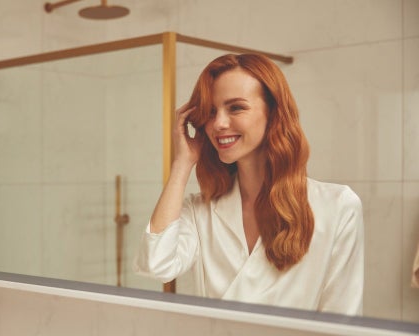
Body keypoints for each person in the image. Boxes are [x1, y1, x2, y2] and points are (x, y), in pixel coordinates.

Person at [134, 53, 364, 316]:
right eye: (210, 112)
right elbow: (155, 265)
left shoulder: (337, 207)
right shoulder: (201, 211)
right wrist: (182, 164)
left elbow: (343, 319)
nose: (218, 123)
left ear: (273, 113)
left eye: (236, 107)